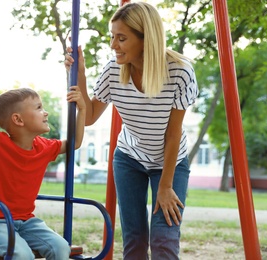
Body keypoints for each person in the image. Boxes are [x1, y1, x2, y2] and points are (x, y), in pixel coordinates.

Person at [64, 2, 198, 259]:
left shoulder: (180, 72)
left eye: (122, 38)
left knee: (164, 238)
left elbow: (173, 134)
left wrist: (166, 186)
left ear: (146, 38)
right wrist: (79, 72)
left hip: (170, 161)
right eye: (112, 37)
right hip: (129, 158)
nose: (113, 45)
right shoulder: (114, 70)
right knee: (135, 238)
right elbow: (89, 116)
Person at [0, 53, 86, 260]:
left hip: (27, 222)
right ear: (18, 119)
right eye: (39, 108)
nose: (46, 113)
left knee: (61, 248)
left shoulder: (44, 147)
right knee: (22, 255)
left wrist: (82, 109)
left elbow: (74, 143)